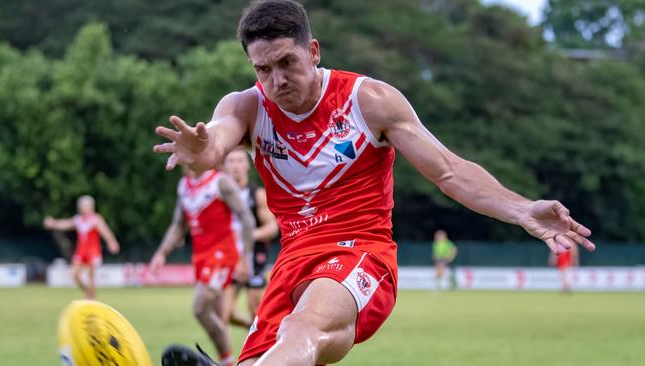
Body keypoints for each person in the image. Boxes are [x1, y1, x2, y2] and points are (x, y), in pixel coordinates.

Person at [154, 1, 596, 365]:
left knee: (302, 328)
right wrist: (202, 153)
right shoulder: (246, 107)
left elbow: (448, 170)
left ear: (314, 51)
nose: (277, 81)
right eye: (263, 69)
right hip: (291, 264)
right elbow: (215, 141)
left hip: (360, 253)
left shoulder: (369, 101)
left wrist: (521, 209)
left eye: (287, 62)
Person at [149, 167, 255, 366]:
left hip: (222, 254)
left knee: (200, 306)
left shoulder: (220, 182)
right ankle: (227, 362)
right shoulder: (184, 187)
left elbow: (247, 218)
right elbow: (179, 225)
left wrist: (244, 258)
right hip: (201, 256)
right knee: (219, 316)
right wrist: (162, 253)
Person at [224, 148, 279, 322]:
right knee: (224, 314)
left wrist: (249, 235)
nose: (235, 166)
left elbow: (272, 228)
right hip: (229, 256)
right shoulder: (220, 195)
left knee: (256, 310)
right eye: (231, 161)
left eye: (240, 161)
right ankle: (251, 330)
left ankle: (260, 340)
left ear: (247, 165)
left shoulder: (257, 194)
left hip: (254, 256)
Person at [43, 195, 120, 299]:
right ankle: (89, 293)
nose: (84, 208)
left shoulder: (96, 219)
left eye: (86, 206)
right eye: (82, 206)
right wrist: (53, 223)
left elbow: (105, 231)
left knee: (91, 276)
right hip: (81, 251)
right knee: (74, 275)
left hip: (93, 251)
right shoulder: (78, 220)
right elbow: (66, 224)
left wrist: (112, 242)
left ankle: (91, 297)